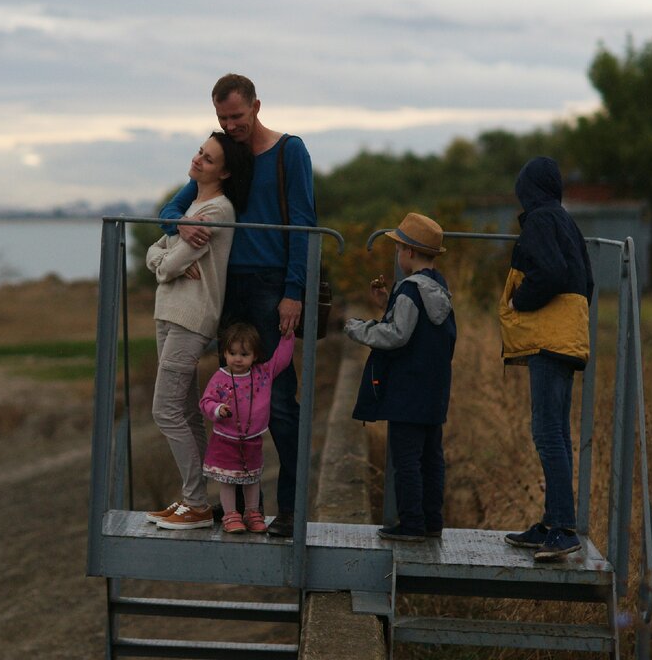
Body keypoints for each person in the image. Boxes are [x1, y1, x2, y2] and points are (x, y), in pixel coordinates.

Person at [159, 73, 315, 538]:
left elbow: (305, 223)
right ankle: (247, 511)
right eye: (223, 118)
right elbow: (171, 209)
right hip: (228, 288)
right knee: (234, 399)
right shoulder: (229, 155)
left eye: (237, 116)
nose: (231, 125)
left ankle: (290, 510)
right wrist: (180, 227)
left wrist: (294, 292)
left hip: (272, 288)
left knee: (281, 403)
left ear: (256, 106)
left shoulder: (291, 152)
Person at [144, 131, 254, 530]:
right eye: (199, 153)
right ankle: (195, 500)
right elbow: (154, 251)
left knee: (165, 410)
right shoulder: (192, 205)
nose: (197, 160)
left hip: (192, 317)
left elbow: (168, 265)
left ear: (223, 171)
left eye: (207, 159)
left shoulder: (217, 211)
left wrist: (165, 262)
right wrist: (165, 259)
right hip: (169, 311)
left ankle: (196, 503)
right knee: (186, 410)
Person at [499, 156, 595, 561]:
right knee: (558, 432)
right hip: (568, 338)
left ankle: (562, 529)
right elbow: (586, 282)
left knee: (547, 432)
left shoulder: (540, 221)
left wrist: (522, 299)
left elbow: (551, 273)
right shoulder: (567, 222)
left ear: (528, 190)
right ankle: (554, 522)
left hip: (548, 342)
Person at [343, 213, 456, 541]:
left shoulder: (409, 290)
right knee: (432, 457)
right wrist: (387, 303)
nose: (397, 255)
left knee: (405, 460)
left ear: (408, 251)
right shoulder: (439, 287)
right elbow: (420, 327)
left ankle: (411, 524)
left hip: (407, 391)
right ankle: (432, 522)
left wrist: (359, 328)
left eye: (398, 249)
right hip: (434, 390)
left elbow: (396, 335)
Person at [200, 322, 296, 534]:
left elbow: (282, 359)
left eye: (244, 353)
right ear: (224, 353)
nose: (237, 358)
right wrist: (217, 409)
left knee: (252, 479)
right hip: (225, 439)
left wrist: (288, 336)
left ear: (255, 355)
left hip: (252, 440)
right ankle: (230, 514)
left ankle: (253, 513)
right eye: (232, 352)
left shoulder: (262, 373)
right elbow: (205, 401)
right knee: (228, 480)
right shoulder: (220, 377)